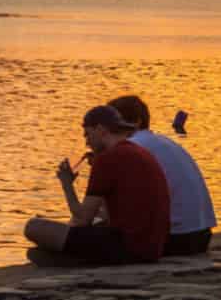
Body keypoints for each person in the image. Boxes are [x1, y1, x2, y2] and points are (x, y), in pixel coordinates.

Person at [23, 103, 170, 265]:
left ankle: (69, 258)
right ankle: (68, 257)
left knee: (33, 227)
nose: (86, 143)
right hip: (151, 249)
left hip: (127, 248)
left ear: (100, 130)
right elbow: (109, 213)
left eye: (87, 135)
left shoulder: (107, 158)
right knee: (92, 224)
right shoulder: (140, 152)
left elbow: (82, 220)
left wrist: (66, 184)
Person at [109, 94, 217, 255]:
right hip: (201, 235)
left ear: (136, 121)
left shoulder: (132, 147)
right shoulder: (163, 141)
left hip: (176, 239)